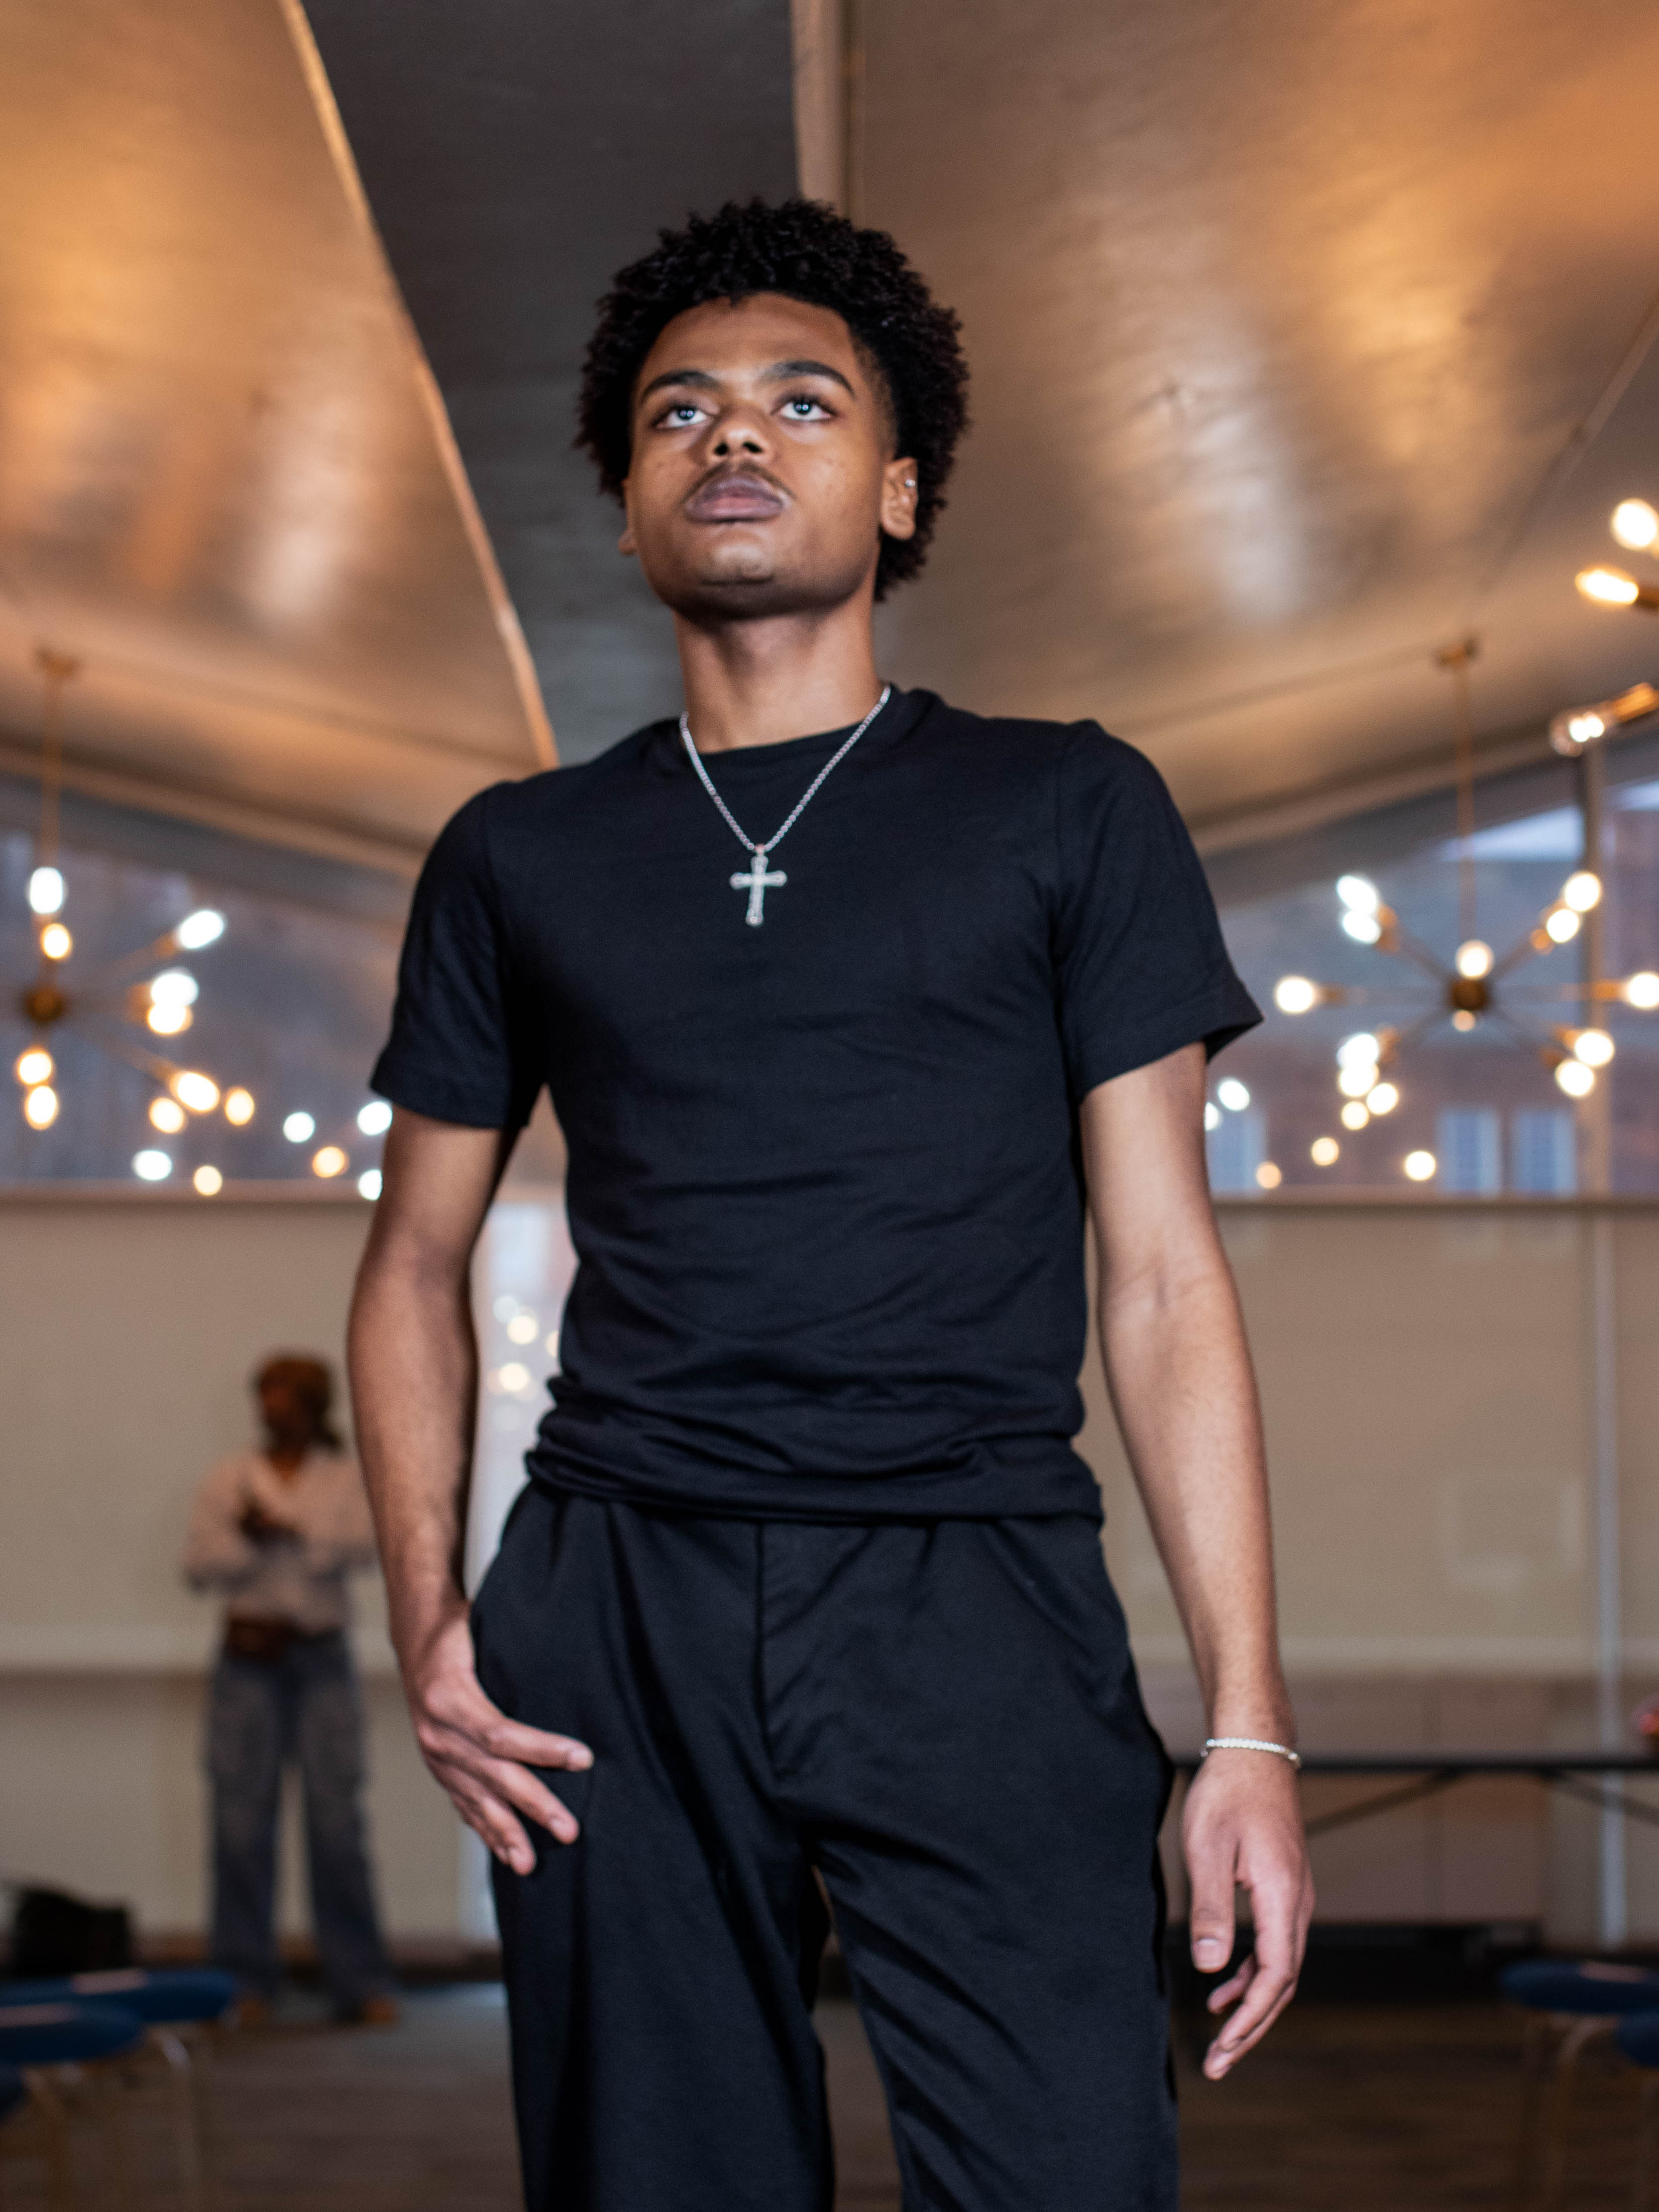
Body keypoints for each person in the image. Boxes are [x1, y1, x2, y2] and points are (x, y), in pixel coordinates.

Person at [350, 198, 1313, 2210]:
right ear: (628, 502)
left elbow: (1158, 1276)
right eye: (675, 410)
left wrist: (1248, 1726)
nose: (730, 432)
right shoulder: (520, 853)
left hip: (973, 1583)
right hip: (616, 1601)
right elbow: (414, 1259)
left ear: (895, 488)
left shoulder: (1067, 805)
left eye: (801, 401)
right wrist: (432, 1613)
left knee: (1063, 2171)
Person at [183, 1353, 397, 2024]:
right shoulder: (231, 1477)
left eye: (285, 1398)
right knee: (240, 1826)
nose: (272, 1410)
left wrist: (295, 1531)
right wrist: (250, 1541)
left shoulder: (347, 1477)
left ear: (312, 1406)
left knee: (337, 1825)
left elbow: (366, 1546)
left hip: (320, 1661)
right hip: (247, 1663)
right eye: (265, 1397)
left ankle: (359, 1981)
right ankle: (244, 1982)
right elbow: (200, 1565)